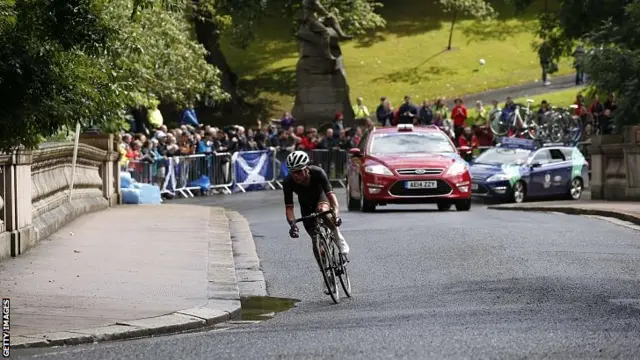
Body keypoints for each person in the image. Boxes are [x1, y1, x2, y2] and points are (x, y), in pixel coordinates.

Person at [283, 151, 350, 260]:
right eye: (292, 172)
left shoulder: (318, 172)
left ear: (306, 168)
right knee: (316, 244)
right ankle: (326, 272)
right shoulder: (288, 182)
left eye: (299, 171)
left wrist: (336, 216)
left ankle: (338, 237)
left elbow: (332, 199)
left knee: (321, 210)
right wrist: (293, 225)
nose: (296, 175)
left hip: (321, 198)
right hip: (306, 205)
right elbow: (289, 208)